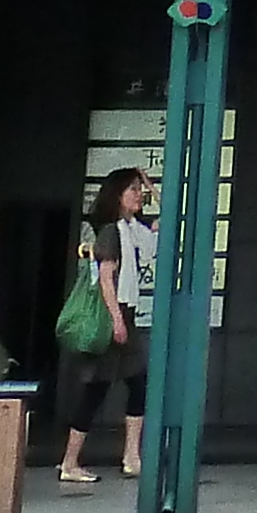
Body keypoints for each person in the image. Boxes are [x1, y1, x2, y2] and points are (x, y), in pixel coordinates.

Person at [56, 168, 152, 487]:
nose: (139, 195)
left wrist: (152, 186)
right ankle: (71, 462)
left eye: (140, 190)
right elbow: (106, 278)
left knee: (136, 384)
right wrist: (116, 320)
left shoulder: (131, 228)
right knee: (97, 390)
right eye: (133, 190)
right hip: (117, 314)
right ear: (117, 195)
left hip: (126, 315)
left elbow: (163, 231)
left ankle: (130, 456)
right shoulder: (110, 231)